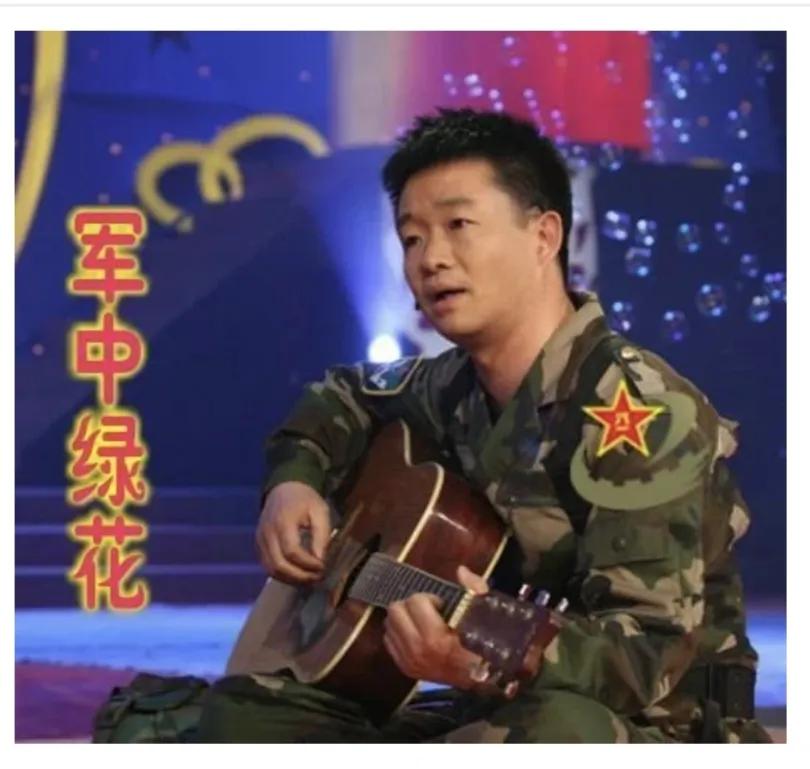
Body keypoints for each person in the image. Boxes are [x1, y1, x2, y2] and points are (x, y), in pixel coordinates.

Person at [197, 108, 771, 743]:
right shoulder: (449, 387)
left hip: (660, 728)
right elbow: (343, 396)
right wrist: (294, 480)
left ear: (544, 237)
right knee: (246, 716)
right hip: (503, 705)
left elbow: (647, 653)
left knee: (556, 733)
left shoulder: (639, 412)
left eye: (458, 225)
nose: (431, 259)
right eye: (411, 238)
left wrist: (480, 659)